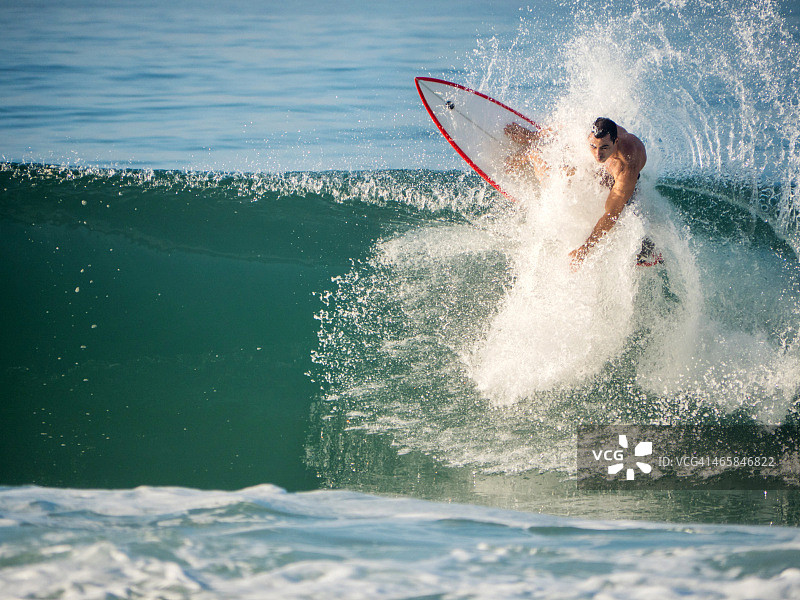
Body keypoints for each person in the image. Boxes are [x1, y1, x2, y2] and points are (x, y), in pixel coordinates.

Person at [505, 117, 660, 269]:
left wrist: (585, 249)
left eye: (604, 147)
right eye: (593, 146)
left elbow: (611, 214)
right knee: (563, 163)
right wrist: (533, 135)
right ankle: (530, 148)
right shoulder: (592, 133)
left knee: (623, 212)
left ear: (616, 142)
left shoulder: (626, 165)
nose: (598, 154)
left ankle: (644, 246)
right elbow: (567, 125)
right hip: (603, 171)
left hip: (623, 184)